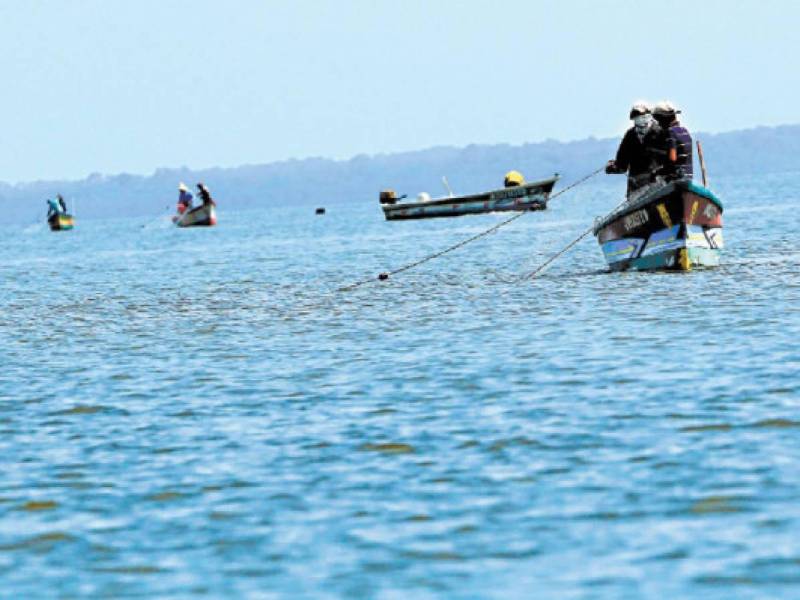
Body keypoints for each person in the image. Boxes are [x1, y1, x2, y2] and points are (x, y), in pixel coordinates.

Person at [605, 102, 663, 195]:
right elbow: (621, 165)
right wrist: (612, 167)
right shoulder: (630, 135)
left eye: (643, 117)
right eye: (637, 118)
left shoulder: (660, 132)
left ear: (650, 116)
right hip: (637, 187)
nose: (641, 121)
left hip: (659, 184)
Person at [652, 101, 693, 180]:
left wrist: (657, 172)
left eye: (658, 120)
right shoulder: (684, 131)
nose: (658, 124)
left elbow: (672, 159)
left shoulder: (671, 133)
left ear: (664, 119)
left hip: (676, 178)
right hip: (688, 178)